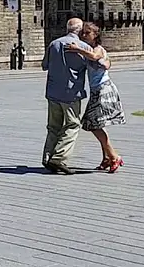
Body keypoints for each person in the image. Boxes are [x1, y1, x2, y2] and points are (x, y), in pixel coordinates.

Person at [40, 18, 103, 174]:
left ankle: (47, 157)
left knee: (53, 126)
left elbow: (44, 66)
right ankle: (59, 158)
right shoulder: (83, 47)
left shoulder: (54, 44)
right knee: (72, 125)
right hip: (71, 93)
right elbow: (97, 65)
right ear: (80, 30)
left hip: (53, 92)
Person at [66, 23, 125, 172]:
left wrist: (76, 49)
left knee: (93, 124)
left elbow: (94, 56)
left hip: (104, 89)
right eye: (83, 33)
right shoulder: (88, 49)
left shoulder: (98, 49)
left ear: (95, 35)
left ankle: (113, 156)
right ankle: (107, 157)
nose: (84, 35)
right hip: (96, 90)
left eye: (87, 33)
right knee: (95, 124)